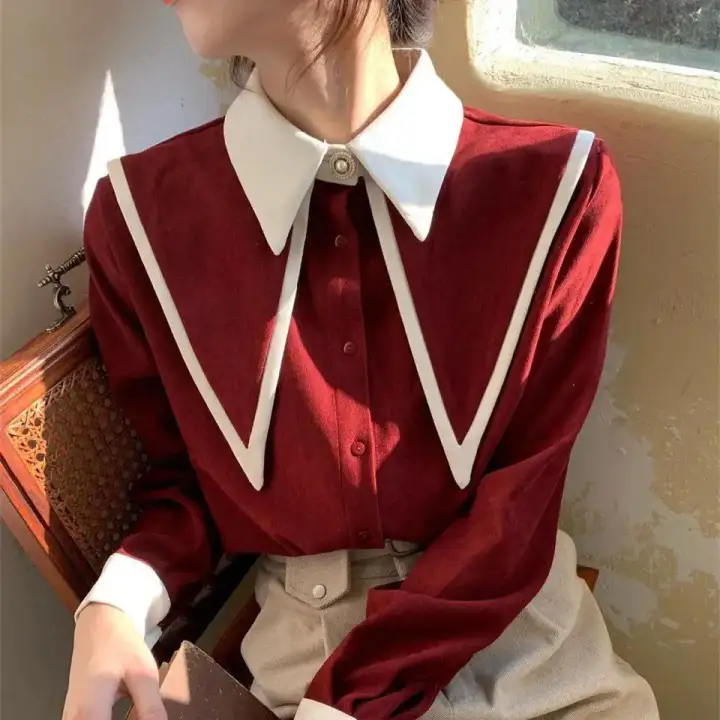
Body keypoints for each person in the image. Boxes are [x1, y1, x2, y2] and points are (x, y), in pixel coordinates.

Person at [63, 1, 660, 719]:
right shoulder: (139, 217)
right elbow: (186, 483)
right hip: (307, 659)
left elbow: (523, 496)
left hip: (532, 649)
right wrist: (118, 601)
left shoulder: (557, 186)